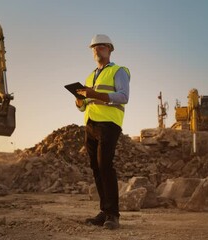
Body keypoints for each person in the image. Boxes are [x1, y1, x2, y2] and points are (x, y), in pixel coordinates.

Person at [75, 34, 130, 230]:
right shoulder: (90, 76)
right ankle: (104, 211)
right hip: (90, 124)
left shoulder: (119, 71)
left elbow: (123, 96)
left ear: (109, 49)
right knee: (96, 167)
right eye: (94, 48)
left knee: (105, 165)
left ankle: (113, 215)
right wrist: (80, 101)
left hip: (109, 123)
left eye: (100, 47)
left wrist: (93, 94)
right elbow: (84, 105)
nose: (96, 50)